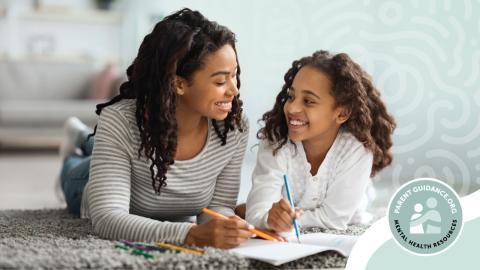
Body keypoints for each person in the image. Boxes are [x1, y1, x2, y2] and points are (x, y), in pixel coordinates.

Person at [58, 8, 253, 249]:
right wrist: (191, 234)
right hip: (83, 182)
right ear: (178, 84)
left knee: (100, 143)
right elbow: (107, 219)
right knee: (76, 167)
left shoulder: (233, 127)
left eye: (234, 76)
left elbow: (216, 209)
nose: (234, 90)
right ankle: (76, 141)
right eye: (221, 81)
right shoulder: (120, 120)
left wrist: (228, 225)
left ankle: (83, 137)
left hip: (139, 150)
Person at [246, 50, 396, 232]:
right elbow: (255, 216)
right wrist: (268, 218)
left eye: (309, 101)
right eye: (291, 96)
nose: (292, 107)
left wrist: (281, 220)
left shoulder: (356, 149)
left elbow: (334, 220)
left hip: (353, 214)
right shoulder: (276, 142)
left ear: (341, 113)